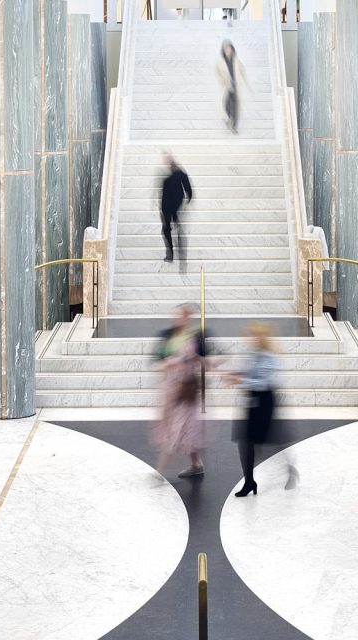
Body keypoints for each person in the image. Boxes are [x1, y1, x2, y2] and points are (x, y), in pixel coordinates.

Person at [226, 322, 298, 497]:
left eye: (256, 335)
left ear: (263, 338)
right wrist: (237, 375)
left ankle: (289, 469)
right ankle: (249, 481)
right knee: (245, 442)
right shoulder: (254, 354)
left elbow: (264, 382)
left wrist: (241, 381)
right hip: (252, 401)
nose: (252, 338)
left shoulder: (269, 357)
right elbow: (249, 374)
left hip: (265, 402)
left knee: (268, 443)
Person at [153, 305, 206, 480]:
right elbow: (157, 362)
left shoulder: (195, 336)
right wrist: (168, 364)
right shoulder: (168, 335)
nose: (179, 319)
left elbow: (206, 359)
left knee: (180, 426)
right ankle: (196, 463)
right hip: (171, 389)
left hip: (185, 390)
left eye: (183, 316)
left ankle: (160, 469)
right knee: (180, 427)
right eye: (177, 315)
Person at [160, 156, 192, 270]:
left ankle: (170, 254)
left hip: (168, 207)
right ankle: (177, 254)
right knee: (175, 228)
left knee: (166, 229)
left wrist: (163, 212)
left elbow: (164, 198)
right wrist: (188, 200)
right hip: (176, 206)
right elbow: (189, 190)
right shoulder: (181, 175)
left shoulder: (167, 180)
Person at [216, 39, 248, 134]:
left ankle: (234, 127)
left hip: (235, 87)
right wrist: (222, 81)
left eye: (229, 48)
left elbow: (243, 70)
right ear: (223, 50)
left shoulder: (236, 60)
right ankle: (229, 117)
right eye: (226, 49)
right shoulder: (220, 62)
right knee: (227, 105)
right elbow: (218, 73)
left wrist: (242, 80)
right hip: (227, 88)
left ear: (232, 49)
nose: (228, 50)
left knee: (235, 106)